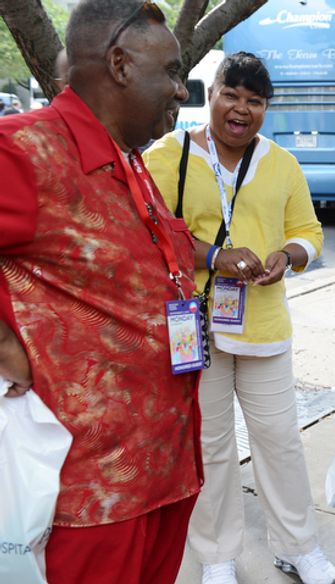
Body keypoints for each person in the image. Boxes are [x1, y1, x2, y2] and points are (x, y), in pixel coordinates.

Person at [0, 1, 200, 582]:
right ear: (119, 64)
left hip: (166, 470)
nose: (180, 91)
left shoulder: (130, 160)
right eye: (171, 72)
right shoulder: (24, 150)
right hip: (88, 493)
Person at [143, 52, 335, 584]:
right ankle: (217, 555)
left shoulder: (281, 163)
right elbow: (149, 233)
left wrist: (289, 255)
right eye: (232, 95)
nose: (241, 109)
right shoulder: (168, 155)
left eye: (255, 101)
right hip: (194, 326)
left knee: (279, 439)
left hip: (263, 326)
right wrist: (211, 256)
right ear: (211, 95)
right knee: (211, 446)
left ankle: (299, 546)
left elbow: (310, 232)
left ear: (265, 109)